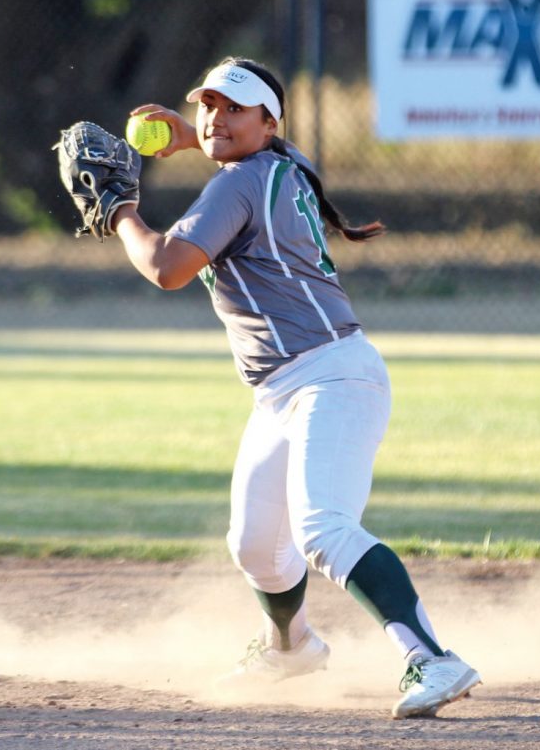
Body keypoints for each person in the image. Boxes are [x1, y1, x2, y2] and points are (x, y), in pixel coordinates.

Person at [109, 56, 481, 719]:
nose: (217, 117)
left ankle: (432, 655)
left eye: (234, 107)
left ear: (268, 121)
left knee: (321, 526)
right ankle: (291, 646)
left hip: (332, 376)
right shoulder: (284, 163)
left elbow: (166, 266)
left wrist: (119, 213)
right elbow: (259, 151)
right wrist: (197, 139)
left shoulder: (239, 184)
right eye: (209, 106)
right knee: (254, 542)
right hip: (286, 387)